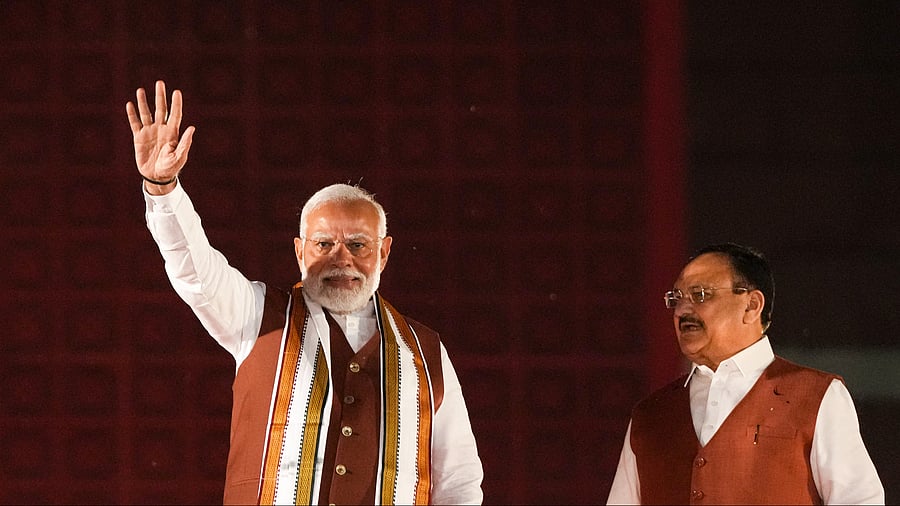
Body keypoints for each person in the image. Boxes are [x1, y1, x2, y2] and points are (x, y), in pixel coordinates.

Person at [126, 81, 484, 505]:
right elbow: (193, 269)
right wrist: (163, 189)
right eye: (323, 244)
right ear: (299, 251)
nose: (341, 259)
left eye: (357, 244)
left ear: (384, 253)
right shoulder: (257, 316)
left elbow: (458, 482)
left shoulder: (425, 350)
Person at [607, 243, 884, 505]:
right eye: (676, 299)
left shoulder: (817, 396)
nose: (683, 310)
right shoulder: (650, 416)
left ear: (752, 306)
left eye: (701, 295)